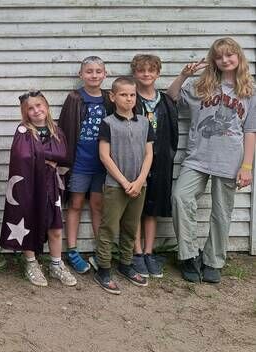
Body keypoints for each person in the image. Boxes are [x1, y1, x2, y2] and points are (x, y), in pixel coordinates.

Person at [168, 37, 256, 284]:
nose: (225, 60)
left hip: (230, 159)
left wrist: (247, 166)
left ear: (238, 56)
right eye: (219, 56)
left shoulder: (249, 91)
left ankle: (213, 261)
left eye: (229, 55)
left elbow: (250, 131)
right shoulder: (201, 86)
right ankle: (188, 256)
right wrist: (183, 75)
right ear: (213, 61)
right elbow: (172, 97)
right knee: (180, 197)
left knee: (221, 211)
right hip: (197, 157)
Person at [0, 91, 77, 287]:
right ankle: (31, 263)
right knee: (28, 223)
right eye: (30, 108)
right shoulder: (23, 131)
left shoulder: (57, 131)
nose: (36, 110)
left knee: (55, 227)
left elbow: (63, 155)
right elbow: (22, 157)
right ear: (25, 113)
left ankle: (56, 264)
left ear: (47, 106)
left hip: (51, 187)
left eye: (39, 106)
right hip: (28, 187)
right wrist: (48, 158)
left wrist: (41, 156)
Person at [93, 77, 154, 295]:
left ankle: (126, 264)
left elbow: (149, 154)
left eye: (132, 95)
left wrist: (139, 181)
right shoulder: (108, 123)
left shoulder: (144, 123)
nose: (129, 99)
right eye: (123, 95)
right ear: (113, 96)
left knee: (130, 227)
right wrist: (124, 182)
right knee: (109, 228)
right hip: (115, 186)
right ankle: (103, 269)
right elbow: (104, 156)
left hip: (139, 186)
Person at [58, 56, 113, 274]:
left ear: (105, 74)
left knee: (98, 205)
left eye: (98, 71)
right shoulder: (74, 98)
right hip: (80, 162)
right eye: (89, 71)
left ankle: (102, 252)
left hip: (103, 163)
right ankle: (72, 250)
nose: (94, 75)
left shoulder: (109, 98)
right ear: (81, 74)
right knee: (76, 204)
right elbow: (63, 129)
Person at [130, 55, 179, 278]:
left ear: (158, 73)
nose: (146, 74)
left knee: (153, 207)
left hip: (161, 161)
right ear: (135, 73)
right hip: (136, 160)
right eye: (141, 70)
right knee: (136, 206)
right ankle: (137, 252)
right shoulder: (131, 98)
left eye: (151, 70)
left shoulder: (164, 100)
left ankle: (149, 252)